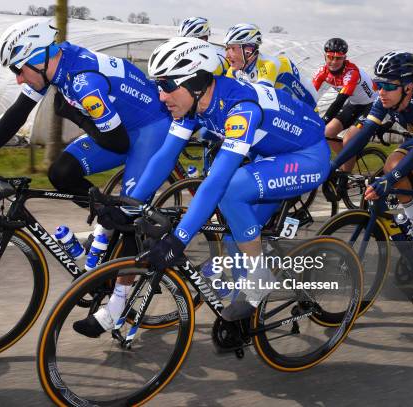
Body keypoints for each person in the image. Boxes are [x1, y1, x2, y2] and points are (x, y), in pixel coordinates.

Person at [74, 37, 329, 336]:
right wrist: (130, 204)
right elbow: (163, 158)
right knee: (236, 233)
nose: (160, 95)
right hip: (272, 154)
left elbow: (217, 183)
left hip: (307, 156)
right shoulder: (195, 106)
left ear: (196, 83)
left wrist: (179, 240)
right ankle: (244, 312)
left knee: (231, 191)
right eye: (159, 85)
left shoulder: (240, 109)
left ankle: (260, 279)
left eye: (167, 85)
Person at [0, 17, 172, 204]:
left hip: (150, 128)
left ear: (38, 60)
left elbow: (118, 144)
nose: (18, 79)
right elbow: (17, 113)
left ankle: (139, 239)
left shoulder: (84, 85)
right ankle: (109, 224)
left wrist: (74, 116)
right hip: (120, 129)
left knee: (129, 214)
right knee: (62, 173)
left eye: (19, 70)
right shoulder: (56, 63)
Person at [331, 51, 413, 306]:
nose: (380, 91)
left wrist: (389, 181)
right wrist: (333, 167)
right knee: (391, 163)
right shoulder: (385, 101)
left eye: (387, 85)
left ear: (408, 87)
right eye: (377, 84)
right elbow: (362, 137)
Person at [312, 38, 377, 171]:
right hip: (354, 103)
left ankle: (344, 179)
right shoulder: (322, 72)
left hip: (371, 105)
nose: (334, 62)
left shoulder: (351, 73)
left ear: (344, 58)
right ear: (325, 56)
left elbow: (340, 100)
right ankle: (344, 163)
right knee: (326, 132)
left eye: (338, 58)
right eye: (330, 57)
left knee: (348, 140)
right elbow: (310, 95)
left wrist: (324, 120)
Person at [223, 23, 318, 108]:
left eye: (232, 49)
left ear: (248, 50)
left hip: (308, 109)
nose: (227, 55)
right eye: (226, 49)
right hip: (285, 110)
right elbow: (224, 97)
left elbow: (261, 98)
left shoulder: (269, 64)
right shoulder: (233, 71)